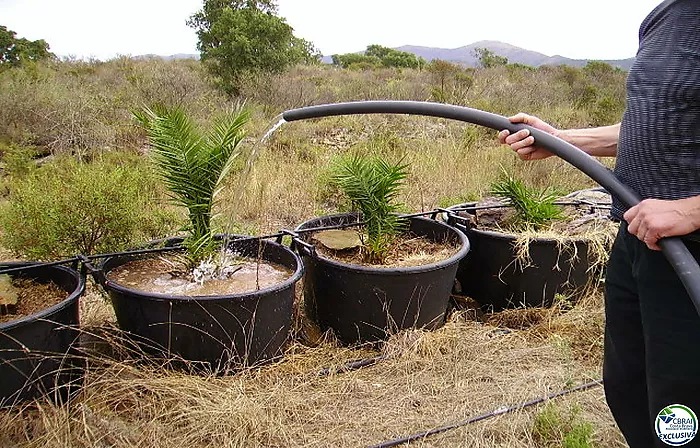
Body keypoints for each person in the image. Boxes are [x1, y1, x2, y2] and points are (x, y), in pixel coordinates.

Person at [497, 1, 700, 446]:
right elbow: (656, 124)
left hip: (692, 253)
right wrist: (564, 140)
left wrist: (691, 209)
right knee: (629, 386)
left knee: (682, 409)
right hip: (637, 241)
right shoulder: (666, 16)